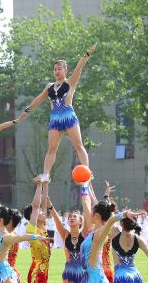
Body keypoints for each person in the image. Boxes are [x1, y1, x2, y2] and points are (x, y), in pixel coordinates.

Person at [17, 42, 98, 188]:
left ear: (65, 70)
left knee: (78, 145)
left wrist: (87, 54)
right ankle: (46, 174)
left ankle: (87, 172)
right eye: (55, 69)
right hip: (55, 119)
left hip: (68, 116)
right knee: (51, 148)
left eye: (60, 69)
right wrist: (25, 112)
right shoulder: (49, 87)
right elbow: (37, 100)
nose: (57, 71)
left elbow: (80, 66)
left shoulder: (70, 82)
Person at [19, 178, 52, 283]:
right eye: (39, 212)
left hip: (45, 271)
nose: (43, 213)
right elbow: (37, 206)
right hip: (36, 271)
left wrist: (46, 184)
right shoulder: (32, 229)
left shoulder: (43, 227)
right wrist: (39, 186)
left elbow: (43, 203)